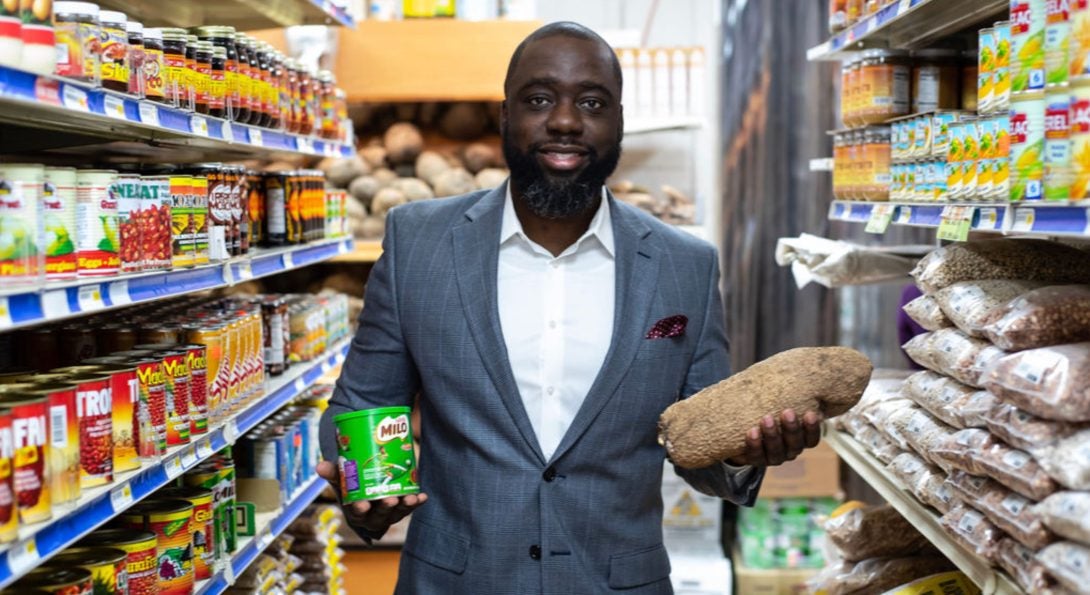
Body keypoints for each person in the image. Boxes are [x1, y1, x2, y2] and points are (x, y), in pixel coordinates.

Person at [318, 21, 824, 594]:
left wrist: (746, 453)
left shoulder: (685, 264)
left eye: (592, 102)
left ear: (619, 123)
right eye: (539, 99)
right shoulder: (420, 241)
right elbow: (361, 403)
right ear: (506, 116)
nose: (564, 120)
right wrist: (365, 487)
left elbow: (697, 442)